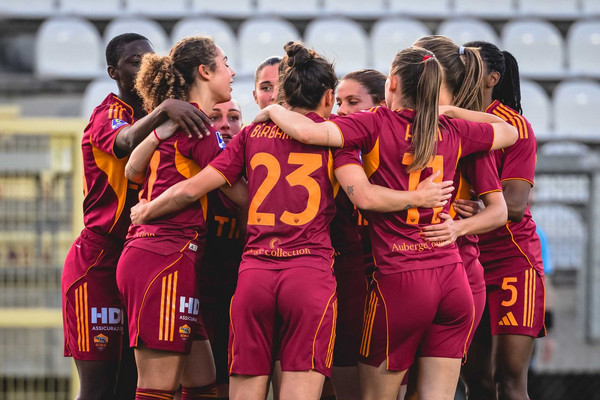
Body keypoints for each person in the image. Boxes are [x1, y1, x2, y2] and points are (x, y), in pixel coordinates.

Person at [129, 42, 455, 400]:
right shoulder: (337, 137)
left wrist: (147, 209)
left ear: (282, 93)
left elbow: (191, 188)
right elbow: (365, 194)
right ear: (328, 97)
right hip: (309, 274)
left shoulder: (250, 135)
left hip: (254, 274)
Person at [253, 46, 518, 400]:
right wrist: (451, 111)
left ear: (391, 83)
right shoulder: (453, 128)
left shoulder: (373, 122)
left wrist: (273, 109)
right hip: (452, 279)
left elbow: (310, 134)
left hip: (400, 278)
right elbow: (509, 131)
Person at [61, 33, 211, 400]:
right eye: (133, 61)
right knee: (100, 388)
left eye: (148, 58)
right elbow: (124, 142)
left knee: (139, 384)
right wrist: (165, 110)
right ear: (113, 73)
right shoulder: (109, 114)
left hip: (147, 255)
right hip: (99, 258)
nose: (144, 65)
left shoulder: (168, 114)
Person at [116, 36, 244, 400]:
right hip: (164, 256)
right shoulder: (199, 126)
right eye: (225, 63)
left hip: (162, 254)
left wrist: (156, 132)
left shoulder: (181, 121)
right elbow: (240, 194)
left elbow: (132, 172)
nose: (232, 72)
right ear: (205, 71)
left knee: (203, 382)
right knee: (156, 388)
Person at [400, 35, 509, 400]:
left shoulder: (465, 135)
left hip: (455, 269)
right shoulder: (397, 127)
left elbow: (499, 210)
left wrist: (458, 227)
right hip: (404, 267)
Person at [458, 40, 547, 400]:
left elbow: (514, 205)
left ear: (492, 78)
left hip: (512, 262)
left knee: (508, 381)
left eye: (470, 64)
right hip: (465, 260)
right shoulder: (448, 121)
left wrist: (477, 211)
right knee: (475, 382)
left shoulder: (514, 127)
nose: (460, 70)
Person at [329, 69, 387, 400]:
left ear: (381, 106)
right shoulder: (333, 145)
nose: (342, 111)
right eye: (338, 102)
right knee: (343, 357)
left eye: (353, 102)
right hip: (347, 273)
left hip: (393, 271)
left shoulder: (401, 147)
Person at [199, 99, 245, 400]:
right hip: (195, 291)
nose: (226, 125)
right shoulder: (190, 170)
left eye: (234, 117)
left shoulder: (255, 173)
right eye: (215, 117)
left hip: (235, 296)